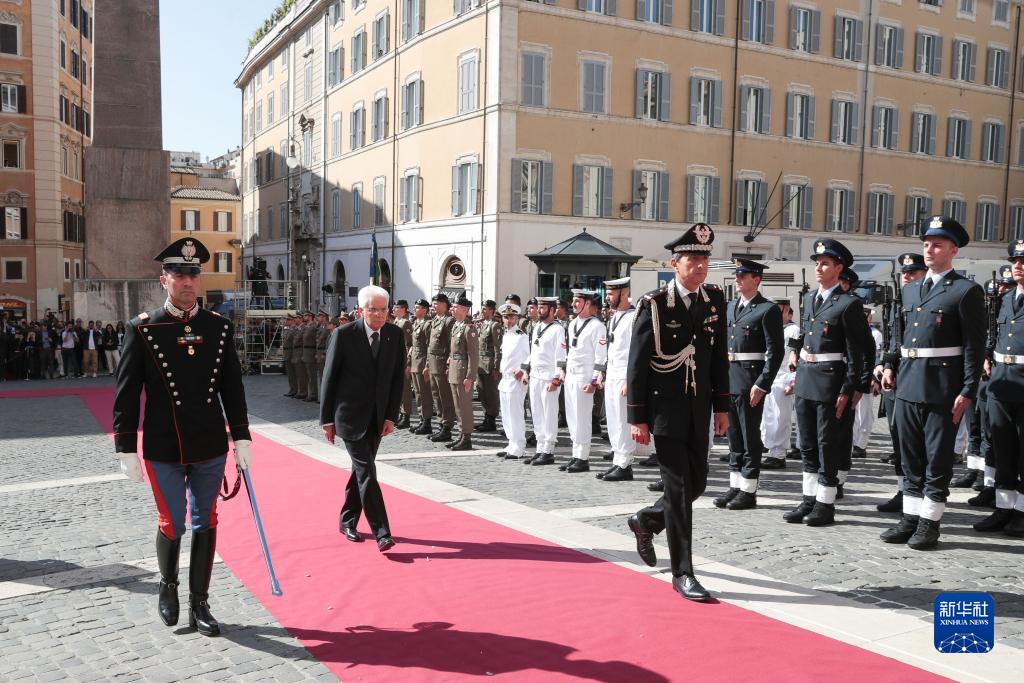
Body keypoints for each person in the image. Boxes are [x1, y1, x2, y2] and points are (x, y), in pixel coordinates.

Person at [113, 237, 253, 637]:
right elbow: (126, 392)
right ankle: (168, 583)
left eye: (193, 274)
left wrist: (241, 437)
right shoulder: (143, 328)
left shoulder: (218, 328)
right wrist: (126, 447)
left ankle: (200, 603)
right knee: (172, 521)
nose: (188, 281)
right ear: (164, 279)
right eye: (179, 274)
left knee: (206, 520)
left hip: (209, 443)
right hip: (164, 446)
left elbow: (232, 388)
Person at [624, 224, 729, 602]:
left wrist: (722, 407)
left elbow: (718, 358)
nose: (700, 266)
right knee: (681, 490)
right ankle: (683, 572)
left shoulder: (714, 300)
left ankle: (648, 519)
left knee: (696, 485)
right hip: (665, 411)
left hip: (699, 408)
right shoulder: (654, 304)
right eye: (692, 259)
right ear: (675, 264)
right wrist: (637, 418)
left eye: (704, 260)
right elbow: (637, 364)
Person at [880, 216, 985, 550]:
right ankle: (910, 518)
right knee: (910, 457)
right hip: (908, 383)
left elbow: (974, 346)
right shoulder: (911, 290)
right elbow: (900, 334)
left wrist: (968, 390)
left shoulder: (965, 291)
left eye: (937, 245)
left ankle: (929, 522)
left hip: (942, 388)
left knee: (936, 459)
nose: (929, 250)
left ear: (953, 250)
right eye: (926, 244)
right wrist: (889, 365)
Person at [784, 239, 867, 527]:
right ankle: (809, 498)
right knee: (806, 442)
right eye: (817, 263)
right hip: (807, 376)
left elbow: (859, 351)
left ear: (839, 268)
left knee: (827, 443)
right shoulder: (809, 299)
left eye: (825, 264)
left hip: (831, 380)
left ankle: (825, 502)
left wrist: (850, 387)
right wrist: (796, 357)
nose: (818, 268)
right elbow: (806, 335)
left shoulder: (848, 304)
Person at [320, 284, 406, 552]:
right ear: (360, 310)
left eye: (383, 310)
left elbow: (396, 379)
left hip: (377, 418)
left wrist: (391, 415)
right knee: (367, 471)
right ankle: (382, 533)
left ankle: (347, 520)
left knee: (361, 470)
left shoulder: (394, 335)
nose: (379, 315)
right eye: (373, 309)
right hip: (349, 416)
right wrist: (327, 420)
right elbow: (329, 378)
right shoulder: (344, 334)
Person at [715, 259, 784, 511]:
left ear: (756, 279)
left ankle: (749, 489)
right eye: (737, 275)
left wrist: (762, 384)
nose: (738, 279)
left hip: (749, 379)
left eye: (743, 275)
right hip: (729, 377)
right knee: (733, 436)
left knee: (750, 436)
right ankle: (735, 485)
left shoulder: (767, 309)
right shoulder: (730, 306)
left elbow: (775, 352)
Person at [974, 239, 1024, 536]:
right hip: (1002, 381)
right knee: (1002, 447)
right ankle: (1003, 507)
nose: (1018, 266)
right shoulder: (1004, 300)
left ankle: (1022, 511)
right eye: (1015, 261)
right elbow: (993, 335)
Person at [875, 252, 928, 513]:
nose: (907, 277)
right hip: (893, 379)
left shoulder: (925, 303)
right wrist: (883, 364)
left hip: (918, 379)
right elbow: (891, 341)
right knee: (898, 438)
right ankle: (903, 490)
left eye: (913, 272)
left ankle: (923, 491)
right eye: (904, 273)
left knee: (920, 442)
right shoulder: (896, 304)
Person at [558, 290, 607, 474]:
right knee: (572, 418)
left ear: (587, 303)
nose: (573, 304)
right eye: (573, 301)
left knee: (582, 418)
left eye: (577, 301)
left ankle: (583, 458)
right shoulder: (572, 324)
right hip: (571, 376)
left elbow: (600, 356)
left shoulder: (597, 326)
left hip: (584, 377)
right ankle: (575, 454)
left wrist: (594, 380)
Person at [597, 277, 637, 482]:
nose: (608, 297)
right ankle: (617, 459)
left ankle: (625, 464)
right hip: (612, 373)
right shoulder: (614, 317)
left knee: (622, 421)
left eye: (611, 294)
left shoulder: (633, 317)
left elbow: (635, 352)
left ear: (624, 293)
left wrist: (630, 380)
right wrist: (603, 372)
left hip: (623, 374)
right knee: (612, 419)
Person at [520, 297, 565, 465]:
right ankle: (540, 448)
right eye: (538, 307)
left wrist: (556, 379)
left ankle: (549, 450)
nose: (539, 310)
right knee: (537, 413)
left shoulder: (558, 329)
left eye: (542, 308)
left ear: (552, 309)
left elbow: (561, 355)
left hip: (548, 377)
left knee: (549, 414)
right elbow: (533, 352)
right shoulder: (538, 326)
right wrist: (526, 370)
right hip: (535, 376)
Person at [761, 299, 800, 469]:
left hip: (784, 377)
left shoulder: (793, 329)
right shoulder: (771, 327)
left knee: (781, 418)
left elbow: (795, 355)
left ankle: (778, 455)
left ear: (786, 311)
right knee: (768, 417)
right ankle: (770, 449)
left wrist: (793, 380)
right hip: (769, 376)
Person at [496, 303, 530, 460]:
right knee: (506, 414)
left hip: (516, 380)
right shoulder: (506, 335)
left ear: (517, 318)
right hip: (505, 379)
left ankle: (519, 446)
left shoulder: (521, 336)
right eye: (505, 317)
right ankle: (511, 443)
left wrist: (522, 370)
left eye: (511, 317)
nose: (508, 320)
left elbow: (528, 355)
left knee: (515, 414)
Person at [446, 296, 479, 451]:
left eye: (455, 307)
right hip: (454, 369)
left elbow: (473, 355)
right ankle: (461, 434)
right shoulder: (456, 326)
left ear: (464, 310)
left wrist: (470, 377)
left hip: (463, 372)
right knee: (457, 406)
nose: (452, 309)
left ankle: (467, 438)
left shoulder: (469, 328)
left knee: (464, 406)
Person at [852, 309, 883, 458]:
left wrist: (874, 379)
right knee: (852, 410)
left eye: (867, 315)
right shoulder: (852, 330)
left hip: (867, 376)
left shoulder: (875, 334)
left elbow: (876, 358)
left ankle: (861, 444)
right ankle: (852, 440)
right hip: (853, 375)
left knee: (865, 411)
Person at [426, 293, 457, 443]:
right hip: (433, 363)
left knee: (445, 397)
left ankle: (447, 427)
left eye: (437, 303)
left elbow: (452, 344)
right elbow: (430, 345)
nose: (433, 306)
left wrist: (449, 364)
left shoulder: (448, 321)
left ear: (445, 305)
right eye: (433, 303)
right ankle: (441, 423)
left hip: (442, 363)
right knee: (436, 395)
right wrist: (427, 364)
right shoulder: (435, 320)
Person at [475, 300, 503, 433]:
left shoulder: (494, 325)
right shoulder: (482, 324)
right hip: (481, 364)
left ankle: (491, 420)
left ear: (491, 310)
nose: (483, 311)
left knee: (491, 393)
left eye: (485, 309)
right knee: (482, 391)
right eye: (482, 308)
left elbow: (498, 348)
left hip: (490, 364)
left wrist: (496, 367)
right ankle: (486, 417)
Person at [409, 299, 434, 434]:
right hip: (415, 360)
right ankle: (421, 419)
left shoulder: (428, 324)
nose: (415, 309)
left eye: (418, 307)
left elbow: (430, 346)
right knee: (418, 393)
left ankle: (427, 422)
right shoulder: (416, 323)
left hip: (422, 361)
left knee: (425, 393)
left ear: (425, 310)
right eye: (415, 307)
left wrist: (427, 365)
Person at [391, 300, 414, 429]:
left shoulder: (405, 323)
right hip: (397, 359)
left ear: (403, 309)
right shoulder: (397, 321)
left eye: (396, 307)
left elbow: (409, 345)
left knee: (405, 390)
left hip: (404, 360)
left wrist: (408, 362)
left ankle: (406, 416)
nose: (393, 309)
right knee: (398, 389)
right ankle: (400, 413)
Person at [301, 311, 318, 402]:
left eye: (305, 315)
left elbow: (317, 341)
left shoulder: (313, 327)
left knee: (312, 375)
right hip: (306, 352)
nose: (304, 317)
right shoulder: (307, 326)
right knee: (307, 375)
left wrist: (316, 352)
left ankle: (313, 394)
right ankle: (309, 393)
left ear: (310, 316)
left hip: (311, 352)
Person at [315, 310, 331, 401]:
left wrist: (324, 353)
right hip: (319, 352)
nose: (318, 318)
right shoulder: (320, 326)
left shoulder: (327, 327)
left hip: (323, 352)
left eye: (320, 316)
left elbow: (327, 341)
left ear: (324, 317)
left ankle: (324, 396)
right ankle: (322, 396)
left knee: (324, 375)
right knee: (321, 375)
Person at [282, 315, 297, 396]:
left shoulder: (294, 329)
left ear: (292, 321)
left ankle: (295, 390)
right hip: (287, 352)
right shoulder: (289, 329)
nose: (286, 321)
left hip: (291, 352)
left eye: (288, 320)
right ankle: (292, 389)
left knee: (293, 373)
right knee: (290, 373)